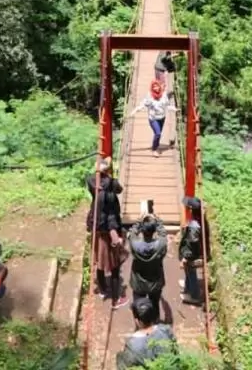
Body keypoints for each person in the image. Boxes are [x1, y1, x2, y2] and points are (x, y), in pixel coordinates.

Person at [86, 157, 130, 310]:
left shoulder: (92, 181)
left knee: (99, 260)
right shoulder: (111, 191)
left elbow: (93, 179)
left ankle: (103, 289)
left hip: (96, 228)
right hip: (108, 231)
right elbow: (119, 190)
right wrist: (115, 236)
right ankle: (116, 299)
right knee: (115, 264)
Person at [115, 296, 177, 369]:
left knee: (120, 357)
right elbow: (175, 351)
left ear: (137, 321)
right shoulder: (165, 330)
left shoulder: (132, 345)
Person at [127, 211, 168, 320]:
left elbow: (132, 233)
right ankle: (155, 324)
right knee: (155, 304)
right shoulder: (160, 245)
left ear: (142, 231)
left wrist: (139, 221)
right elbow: (163, 234)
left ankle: (140, 324)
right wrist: (157, 220)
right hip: (155, 282)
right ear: (154, 231)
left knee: (138, 305)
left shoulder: (135, 244)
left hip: (138, 282)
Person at [178, 197, 209, 306]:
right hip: (196, 251)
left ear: (192, 209)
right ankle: (187, 287)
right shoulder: (199, 219)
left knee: (191, 271)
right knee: (188, 270)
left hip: (193, 254)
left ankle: (195, 295)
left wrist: (186, 257)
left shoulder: (194, 226)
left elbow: (192, 244)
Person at [131, 80, 176, 156]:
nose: (156, 88)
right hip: (153, 118)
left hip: (162, 117)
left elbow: (166, 105)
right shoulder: (149, 95)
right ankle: (154, 149)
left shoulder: (163, 95)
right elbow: (143, 104)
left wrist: (174, 109)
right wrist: (135, 111)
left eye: (157, 86)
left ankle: (156, 145)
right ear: (152, 88)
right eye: (154, 87)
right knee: (158, 133)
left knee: (158, 134)